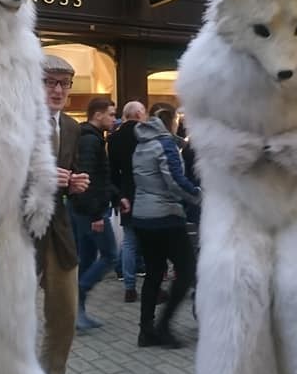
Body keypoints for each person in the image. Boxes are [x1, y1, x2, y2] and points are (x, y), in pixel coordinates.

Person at [38, 55, 91, 374]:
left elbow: (66, 189)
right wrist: (40, 178)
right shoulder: (12, 123)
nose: (58, 90)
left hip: (58, 234)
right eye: (49, 82)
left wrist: (75, 186)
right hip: (17, 235)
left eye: (64, 83)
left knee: (65, 315)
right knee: (17, 322)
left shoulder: (72, 128)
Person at [132, 106, 200, 348]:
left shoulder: (141, 141)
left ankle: (146, 331)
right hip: (165, 216)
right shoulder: (164, 144)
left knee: (153, 272)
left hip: (142, 217)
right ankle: (164, 326)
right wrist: (198, 196)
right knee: (188, 269)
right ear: (171, 121)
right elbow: (175, 181)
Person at [70, 96, 118, 331]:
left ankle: (77, 312)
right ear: (97, 115)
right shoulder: (91, 141)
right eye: (110, 114)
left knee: (86, 258)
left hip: (82, 210)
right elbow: (87, 180)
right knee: (110, 254)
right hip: (90, 211)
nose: (114, 118)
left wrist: (118, 196)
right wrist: (97, 214)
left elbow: (99, 177)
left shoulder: (91, 138)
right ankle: (79, 293)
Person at [108, 100, 147, 303]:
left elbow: (113, 171)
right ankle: (153, 285)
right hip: (146, 191)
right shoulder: (145, 134)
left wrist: (118, 195)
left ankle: (129, 287)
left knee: (130, 241)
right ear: (139, 114)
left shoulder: (114, 139)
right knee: (150, 239)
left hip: (126, 192)